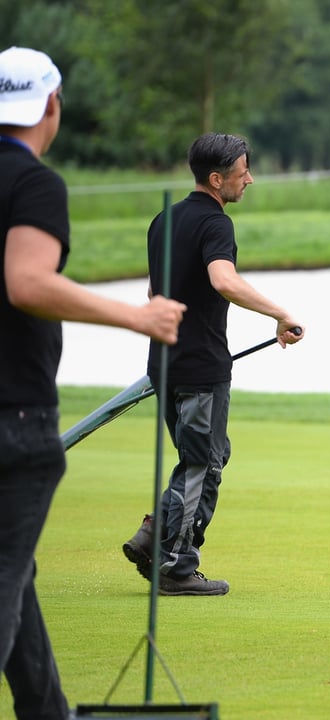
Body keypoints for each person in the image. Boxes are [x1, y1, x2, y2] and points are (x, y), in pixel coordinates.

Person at [1, 46, 186, 720]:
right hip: (14, 419)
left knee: (16, 578)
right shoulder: (34, 183)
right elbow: (26, 282)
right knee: (3, 576)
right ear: (51, 106)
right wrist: (134, 314)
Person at [121, 132, 305, 597]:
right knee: (202, 465)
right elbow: (223, 280)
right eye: (244, 172)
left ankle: (153, 537)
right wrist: (279, 313)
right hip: (201, 367)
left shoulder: (163, 220)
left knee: (203, 458)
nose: (251, 179)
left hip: (164, 361)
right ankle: (177, 567)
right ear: (217, 178)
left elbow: (154, 294)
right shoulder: (216, 224)